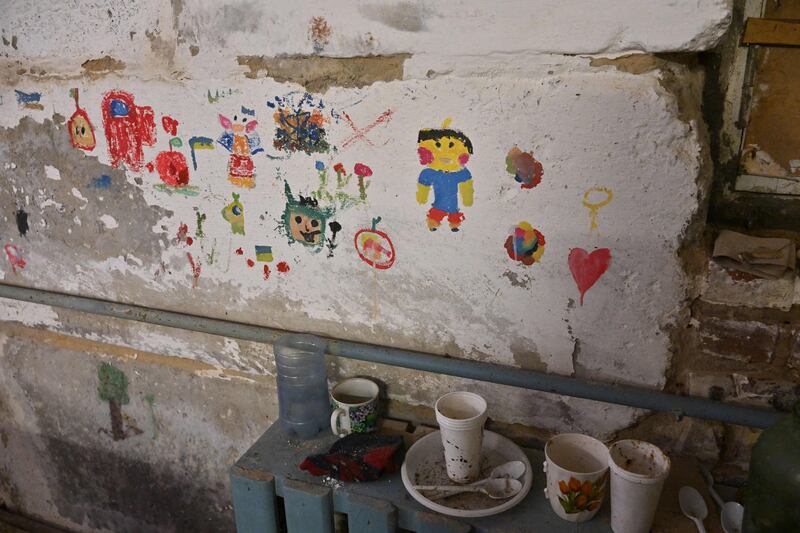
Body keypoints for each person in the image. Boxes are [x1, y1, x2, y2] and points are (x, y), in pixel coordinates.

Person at [416, 119, 474, 232]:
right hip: (439, 204)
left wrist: (468, 198)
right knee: (437, 211)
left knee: (453, 211)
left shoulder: (459, 172)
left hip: (453, 204)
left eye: (452, 146)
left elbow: (467, 184)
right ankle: (435, 222)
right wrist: (421, 197)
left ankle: (454, 223)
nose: (445, 154)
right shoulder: (431, 172)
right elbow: (423, 183)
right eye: (438, 145)